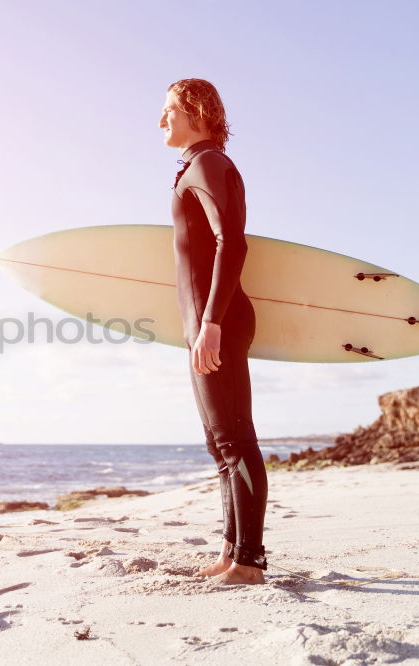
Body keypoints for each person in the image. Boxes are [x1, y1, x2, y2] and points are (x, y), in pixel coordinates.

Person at [159, 78, 268, 585]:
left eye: (170, 111)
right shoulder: (198, 166)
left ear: (196, 112)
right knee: (219, 442)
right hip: (204, 323)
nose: (163, 121)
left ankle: (250, 562)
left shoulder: (208, 164)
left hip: (215, 321)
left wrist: (212, 324)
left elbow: (233, 244)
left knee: (236, 439)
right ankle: (232, 551)